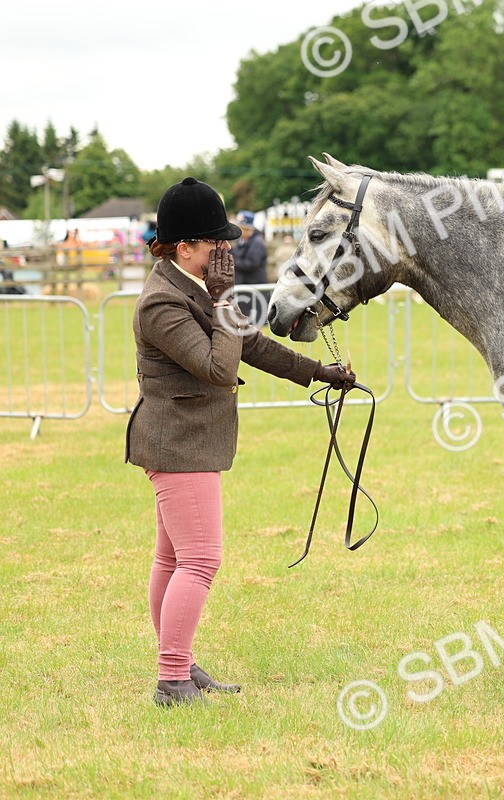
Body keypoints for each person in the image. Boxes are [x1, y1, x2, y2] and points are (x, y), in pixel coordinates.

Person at [126, 177, 354, 707]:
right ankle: (172, 681)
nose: (224, 253)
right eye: (215, 245)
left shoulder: (189, 286)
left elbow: (248, 345)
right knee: (200, 561)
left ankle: (178, 661)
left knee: (172, 559)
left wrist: (319, 371)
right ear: (184, 247)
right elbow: (217, 369)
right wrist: (226, 298)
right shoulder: (163, 302)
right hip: (179, 446)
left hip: (185, 442)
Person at [231, 210, 269, 321]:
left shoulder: (257, 242)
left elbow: (252, 264)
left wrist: (233, 261)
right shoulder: (241, 242)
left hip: (255, 288)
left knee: (256, 321)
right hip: (244, 288)